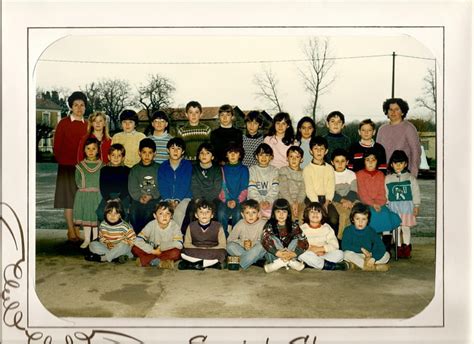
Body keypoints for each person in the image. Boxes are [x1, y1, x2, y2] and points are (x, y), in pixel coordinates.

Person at [53, 91, 88, 242]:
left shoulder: (88, 125)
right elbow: (57, 147)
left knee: (81, 200)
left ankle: (78, 230)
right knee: (69, 200)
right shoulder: (63, 123)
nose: (79, 108)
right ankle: (70, 230)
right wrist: (64, 161)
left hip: (84, 169)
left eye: (82, 105)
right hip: (67, 167)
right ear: (71, 107)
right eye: (76, 105)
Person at [356, 149, 401, 252]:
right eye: (368, 160)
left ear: (377, 161)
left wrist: (378, 203)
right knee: (371, 215)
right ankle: (372, 243)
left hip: (380, 204)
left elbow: (382, 192)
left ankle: (386, 245)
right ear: (364, 161)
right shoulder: (359, 174)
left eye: (373, 160)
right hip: (365, 204)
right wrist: (372, 204)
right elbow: (362, 193)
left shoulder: (381, 175)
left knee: (386, 214)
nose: (371, 162)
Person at [385, 150, 421, 258]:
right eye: (396, 163)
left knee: (405, 227)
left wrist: (416, 205)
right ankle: (398, 247)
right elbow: (385, 193)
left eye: (401, 163)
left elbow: (415, 192)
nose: (398, 165)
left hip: (406, 208)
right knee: (396, 228)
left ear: (405, 164)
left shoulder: (410, 178)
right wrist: (386, 205)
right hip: (394, 208)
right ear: (392, 164)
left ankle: (407, 246)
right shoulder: (388, 178)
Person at [302, 136, 339, 237]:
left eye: (322, 149)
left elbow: (330, 187)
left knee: (334, 217)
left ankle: (333, 243)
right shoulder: (307, 169)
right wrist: (319, 206)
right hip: (311, 199)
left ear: (326, 151)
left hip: (326, 199)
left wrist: (327, 203)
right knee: (313, 216)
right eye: (316, 148)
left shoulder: (329, 168)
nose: (319, 151)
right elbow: (309, 190)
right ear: (310, 151)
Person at [376, 98, 421, 177]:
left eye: (397, 109)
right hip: (385, 174)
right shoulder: (382, 129)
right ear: (387, 112)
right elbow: (378, 152)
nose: (393, 112)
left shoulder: (409, 128)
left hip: (404, 174)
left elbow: (415, 151)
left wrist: (413, 173)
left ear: (402, 112)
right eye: (390, 109)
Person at [261, 198, 308, 273]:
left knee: (297, 239)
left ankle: (282, 262)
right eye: (278, 211)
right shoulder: (269, 225)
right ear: (274, 213)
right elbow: (264, 240)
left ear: (288, 213)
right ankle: (288, 262)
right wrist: (278, 253)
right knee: (269, 238)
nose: (281, 214)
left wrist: (294, 253)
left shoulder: (294, 225)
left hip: (291, 254)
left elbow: (304, 241)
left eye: (284, 211)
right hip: (274, 255)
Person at [298, 202, 348, 270]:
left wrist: (321, 249)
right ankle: (328, 266)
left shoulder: (327, 228)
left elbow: (335, 246)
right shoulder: (302, 228)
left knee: (340, 254)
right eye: (312, 212)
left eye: (318, 212)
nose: (315, 214)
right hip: (309, 253)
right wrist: (312, 251)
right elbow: (299, 246)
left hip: (324, 254)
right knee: (302, 255)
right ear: (307, 214)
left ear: (323, 215)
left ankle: (313, 264)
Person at [73, 137, 104, 249]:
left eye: (93, 149)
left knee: (95, 218)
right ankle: (87, 239)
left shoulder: (102, 166)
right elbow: (77, 180)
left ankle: (95, 239)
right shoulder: (80, 166)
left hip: (97, 195)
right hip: (84, 195)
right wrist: (83, 189)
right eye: (88, 148)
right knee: (86, 217)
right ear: (84, 150)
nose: (91, 151)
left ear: (98, 150)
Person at [132, 201, 183, 268]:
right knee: (134, 249)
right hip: (152, 250)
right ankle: (161, 261)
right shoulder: (151, 224)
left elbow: (179, 244)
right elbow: (137, 240)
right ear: (155, 216)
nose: (164, 216)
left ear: (171, 216)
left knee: (176, 253)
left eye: (168, 213)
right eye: (161, 213)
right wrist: (152, 250)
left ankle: (147, 260)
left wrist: (161, 247)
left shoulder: (174, 226)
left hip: (166, 250)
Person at [179, 199, 227, 270]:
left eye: (207, 212)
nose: (204, 214)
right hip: (196, 249)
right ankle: (210, 264)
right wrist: (198, 248)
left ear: (212, 215)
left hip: (212, 250)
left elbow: (223, 245)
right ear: (196, 215)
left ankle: (194, 264)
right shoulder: (191, 226)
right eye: (201, 212)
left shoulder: (218, 226)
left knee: (222, 253)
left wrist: (209, 248)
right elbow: (186, 244)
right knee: (183, 252)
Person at [341, 203, 390, 271]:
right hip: (356, 255)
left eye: (364, 219)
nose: (360, 222)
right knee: (345, 254)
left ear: (367, 220)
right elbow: (345, 246)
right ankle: (373, 267)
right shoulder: (348, 230)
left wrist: (373, 258)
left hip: (369, 256)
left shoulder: (371, 231)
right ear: (352, 219)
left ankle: (361, 265)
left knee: (386, 255)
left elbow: (381, 246)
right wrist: (362, 249)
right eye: (357, 219)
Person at [158, 137, 192, 230]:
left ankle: (176, 238)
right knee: (163, 212)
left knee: (179, 213)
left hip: (184, 198)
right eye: (173, 148)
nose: (175, 151)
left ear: (183, 151)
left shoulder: (187, 165)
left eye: (179, 149)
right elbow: (162, 185)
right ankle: (163, 237)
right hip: (166, 197)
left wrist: (177, 200)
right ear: (167, 150)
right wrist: (168, 199)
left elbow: (185, 184)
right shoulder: (163, 166)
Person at [128, 138, 161, 234]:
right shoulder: (135, 169)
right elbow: (132, 187)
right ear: (139, 153)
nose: (147, 155)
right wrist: (140, 197)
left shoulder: (158, 168)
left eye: (150, 153)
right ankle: (138, 236)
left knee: (148, 213)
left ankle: (147, 236)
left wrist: (152, 196)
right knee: (134, 213)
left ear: (154, 154)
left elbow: (160, 186)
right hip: (138, 199)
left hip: (154, 198)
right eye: (144, 152)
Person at [217, 143, 249, 237]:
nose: (233, 155)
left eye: (236, 153)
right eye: (230, 153)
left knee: (238, 214)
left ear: (240, 155)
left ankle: (235, 237)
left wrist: (236, 201)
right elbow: (220, 188)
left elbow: (244, 188)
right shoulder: (222, 169)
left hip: (240, 200)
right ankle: (224, 237)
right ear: (226, 155)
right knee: (221, 213)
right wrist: (227, 200)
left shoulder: (244, 169)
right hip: (225, 200)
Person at [226, 199, 267, 270]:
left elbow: (265, 240)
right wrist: (242, 243)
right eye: (247, 213)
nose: (250, 215)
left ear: (259, 214)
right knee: (229, 246)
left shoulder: (263, 223)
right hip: (243, 249)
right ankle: (254, 261)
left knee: (262, 246)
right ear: (242, 214)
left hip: (256, 249)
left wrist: (252, 244)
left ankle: (239, 263)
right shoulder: (240, 223)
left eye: (254, 212)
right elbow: (230, 239)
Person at [96, 143, 131, 222]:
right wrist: (108, 199)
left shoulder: (127, 170)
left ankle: (122, 231)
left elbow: (127, 187)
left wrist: (119, 199)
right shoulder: (104, 170)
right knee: (100, 212)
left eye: (119, 156)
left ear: (123, 158)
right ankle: (106, 231)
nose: (116, 158)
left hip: (123, 196)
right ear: (108, 156)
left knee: (123, 213)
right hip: (108, 196)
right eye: (113, 155)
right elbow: (103, 187)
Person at [330, 148, 358, 240]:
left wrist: (349, 201)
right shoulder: (330, 175)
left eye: (343, 161)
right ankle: (341, 238)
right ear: (332, 162)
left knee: (359, 213)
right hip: (337, 200)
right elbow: (330, 192)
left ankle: (357, 238)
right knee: (344, 214)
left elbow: (354, 191)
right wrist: (343, 201)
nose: (340, 164)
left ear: (347, 162)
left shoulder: (351, 174)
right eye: (337, 161)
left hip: (352, 199)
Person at [248, 143, 279, 219]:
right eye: (261, 155)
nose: (264, 157)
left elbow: (275, 189)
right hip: (255, 201)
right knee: (254, 214)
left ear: (271, 157)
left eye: (267, 155)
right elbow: (251, 189)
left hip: (270, 202)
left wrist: (268, 201)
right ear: (256, 156)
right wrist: (260, 201)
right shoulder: (252, 170)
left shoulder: (275, 170)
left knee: (272, 214)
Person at [278, 146, 306, 223]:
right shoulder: (283, 170)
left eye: (297, 157)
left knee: (303, 216)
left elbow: (303, 190)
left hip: (299, 202)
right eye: (291, 156)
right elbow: (283, 189)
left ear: (302, 159)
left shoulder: (305, 173)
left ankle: (301, 234)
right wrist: (292, 203)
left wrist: (297, 202)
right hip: (285, 201)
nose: (294, 159)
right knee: (289, 216)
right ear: (287, 158)